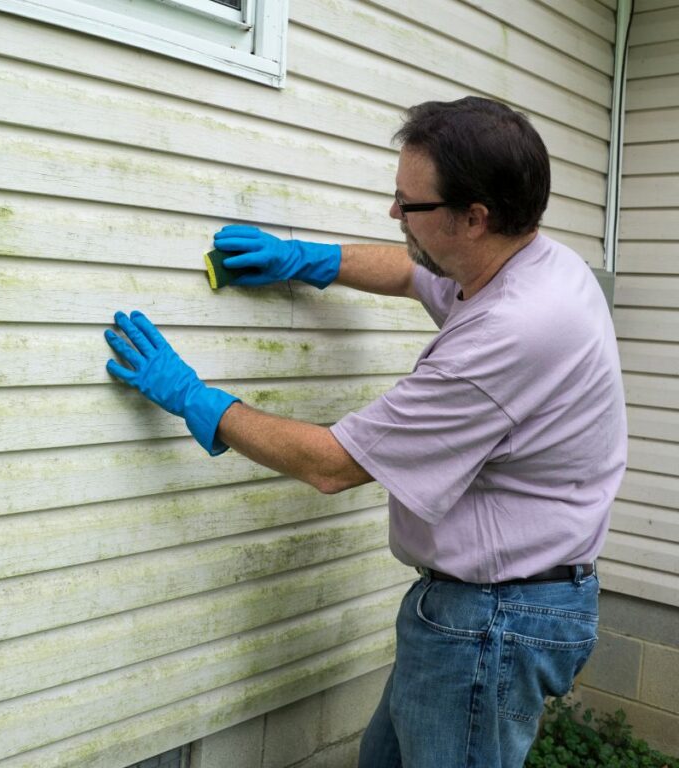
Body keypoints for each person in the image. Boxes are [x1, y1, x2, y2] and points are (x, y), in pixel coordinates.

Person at [103, 96, 627, 767]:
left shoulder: (510, 334)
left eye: (410, 206)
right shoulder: (531, 262)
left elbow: (332, 464)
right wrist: (307, 259)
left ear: (474, 218)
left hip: (493, 625)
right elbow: (414, 272)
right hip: (489, 607)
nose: (393, 215)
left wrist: (193, 398)